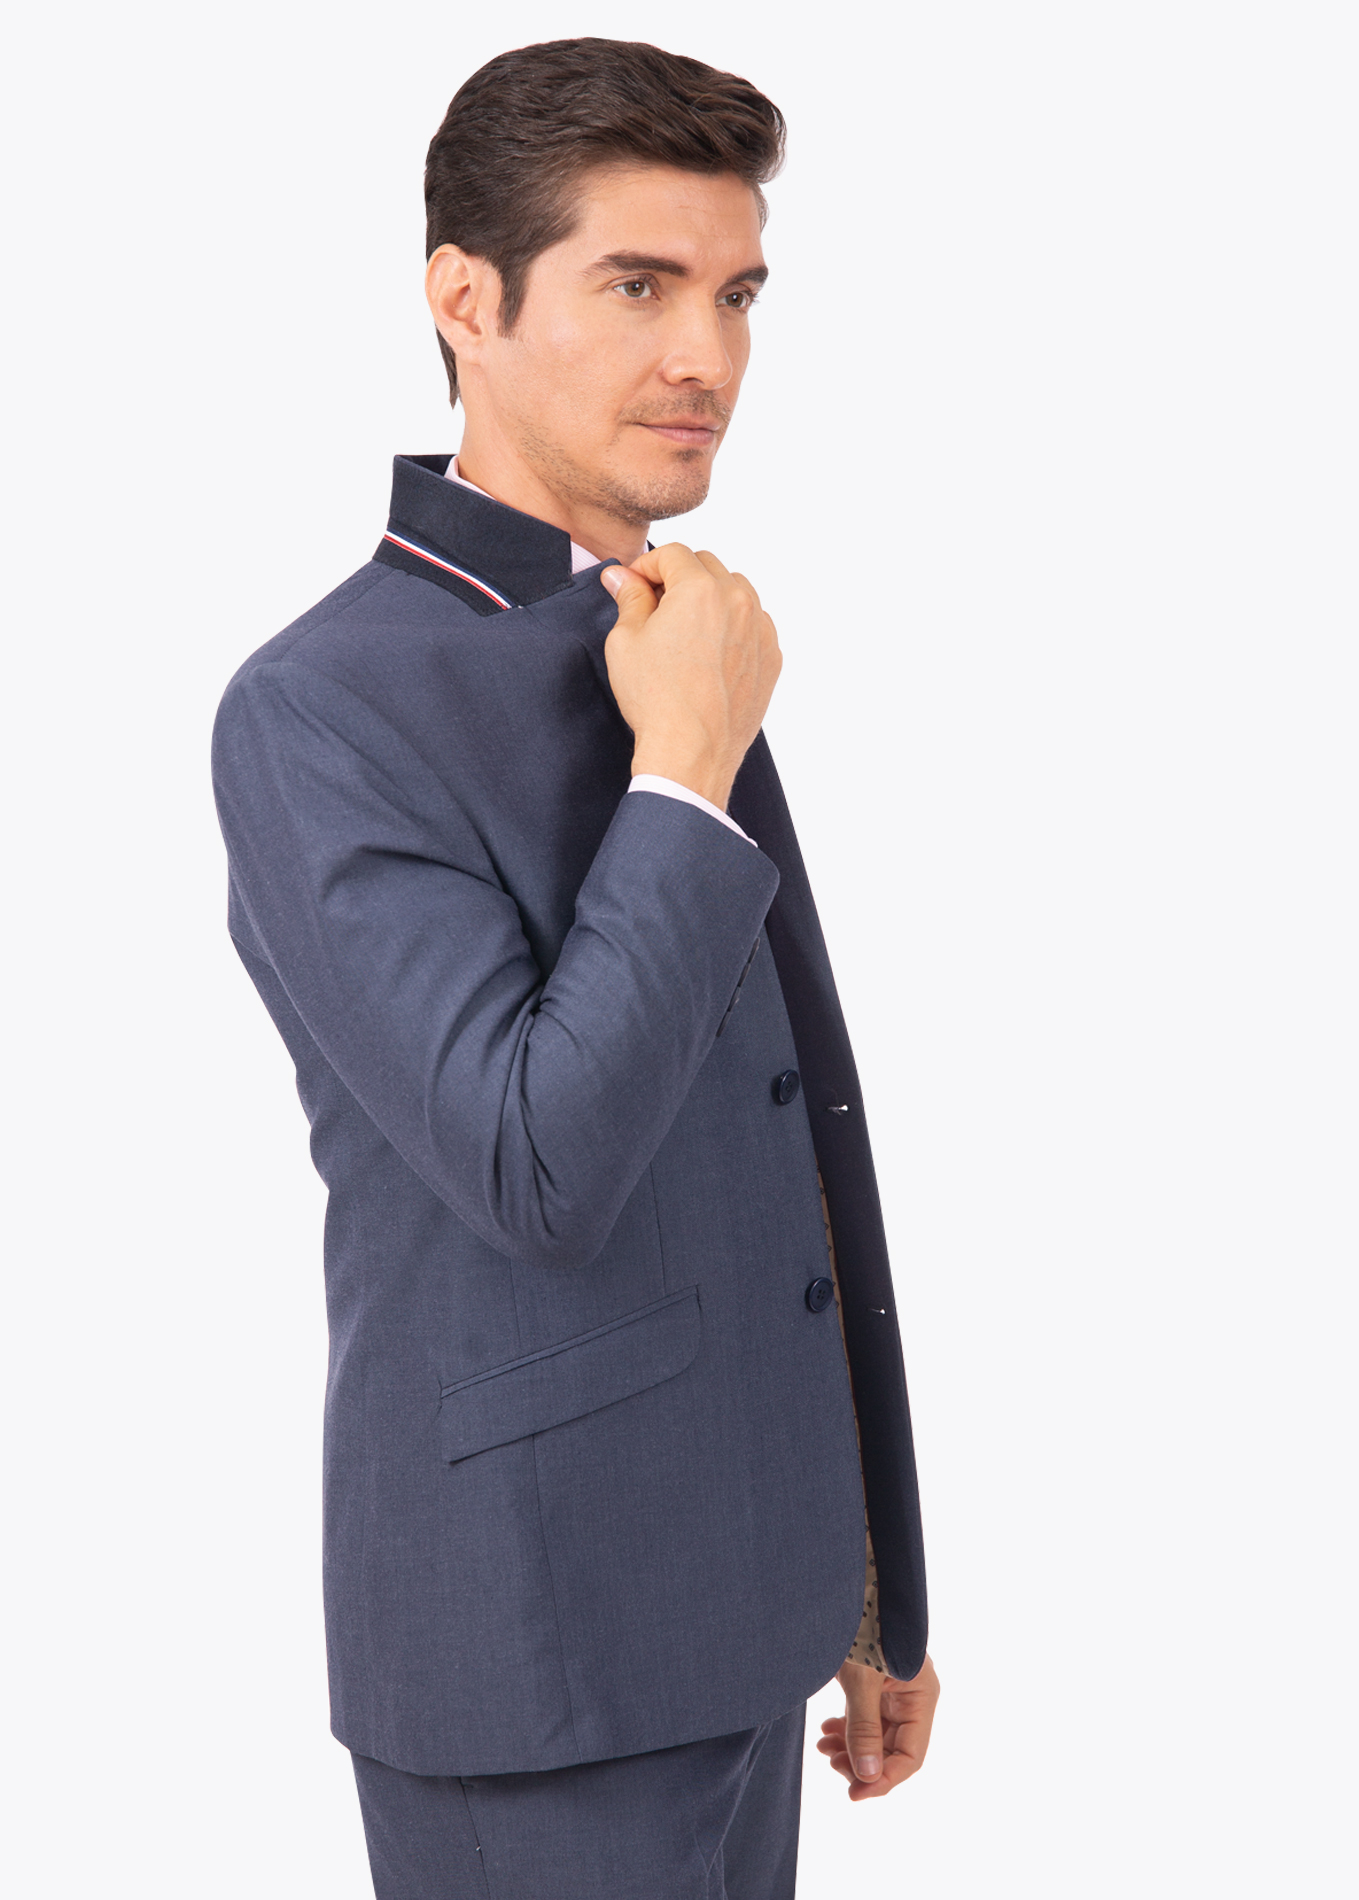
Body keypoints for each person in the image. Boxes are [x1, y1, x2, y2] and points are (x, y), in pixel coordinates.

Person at [212, 36, 939, 1900]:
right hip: (536, 1666)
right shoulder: (318, 708)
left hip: (749, 1613)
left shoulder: (668, 630)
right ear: (466, 300)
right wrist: (684, 773)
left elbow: (789, 1122)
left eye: (737, 294)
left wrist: (877, 1579)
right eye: (639, 286)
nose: (708, 357)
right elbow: (536, 1164)